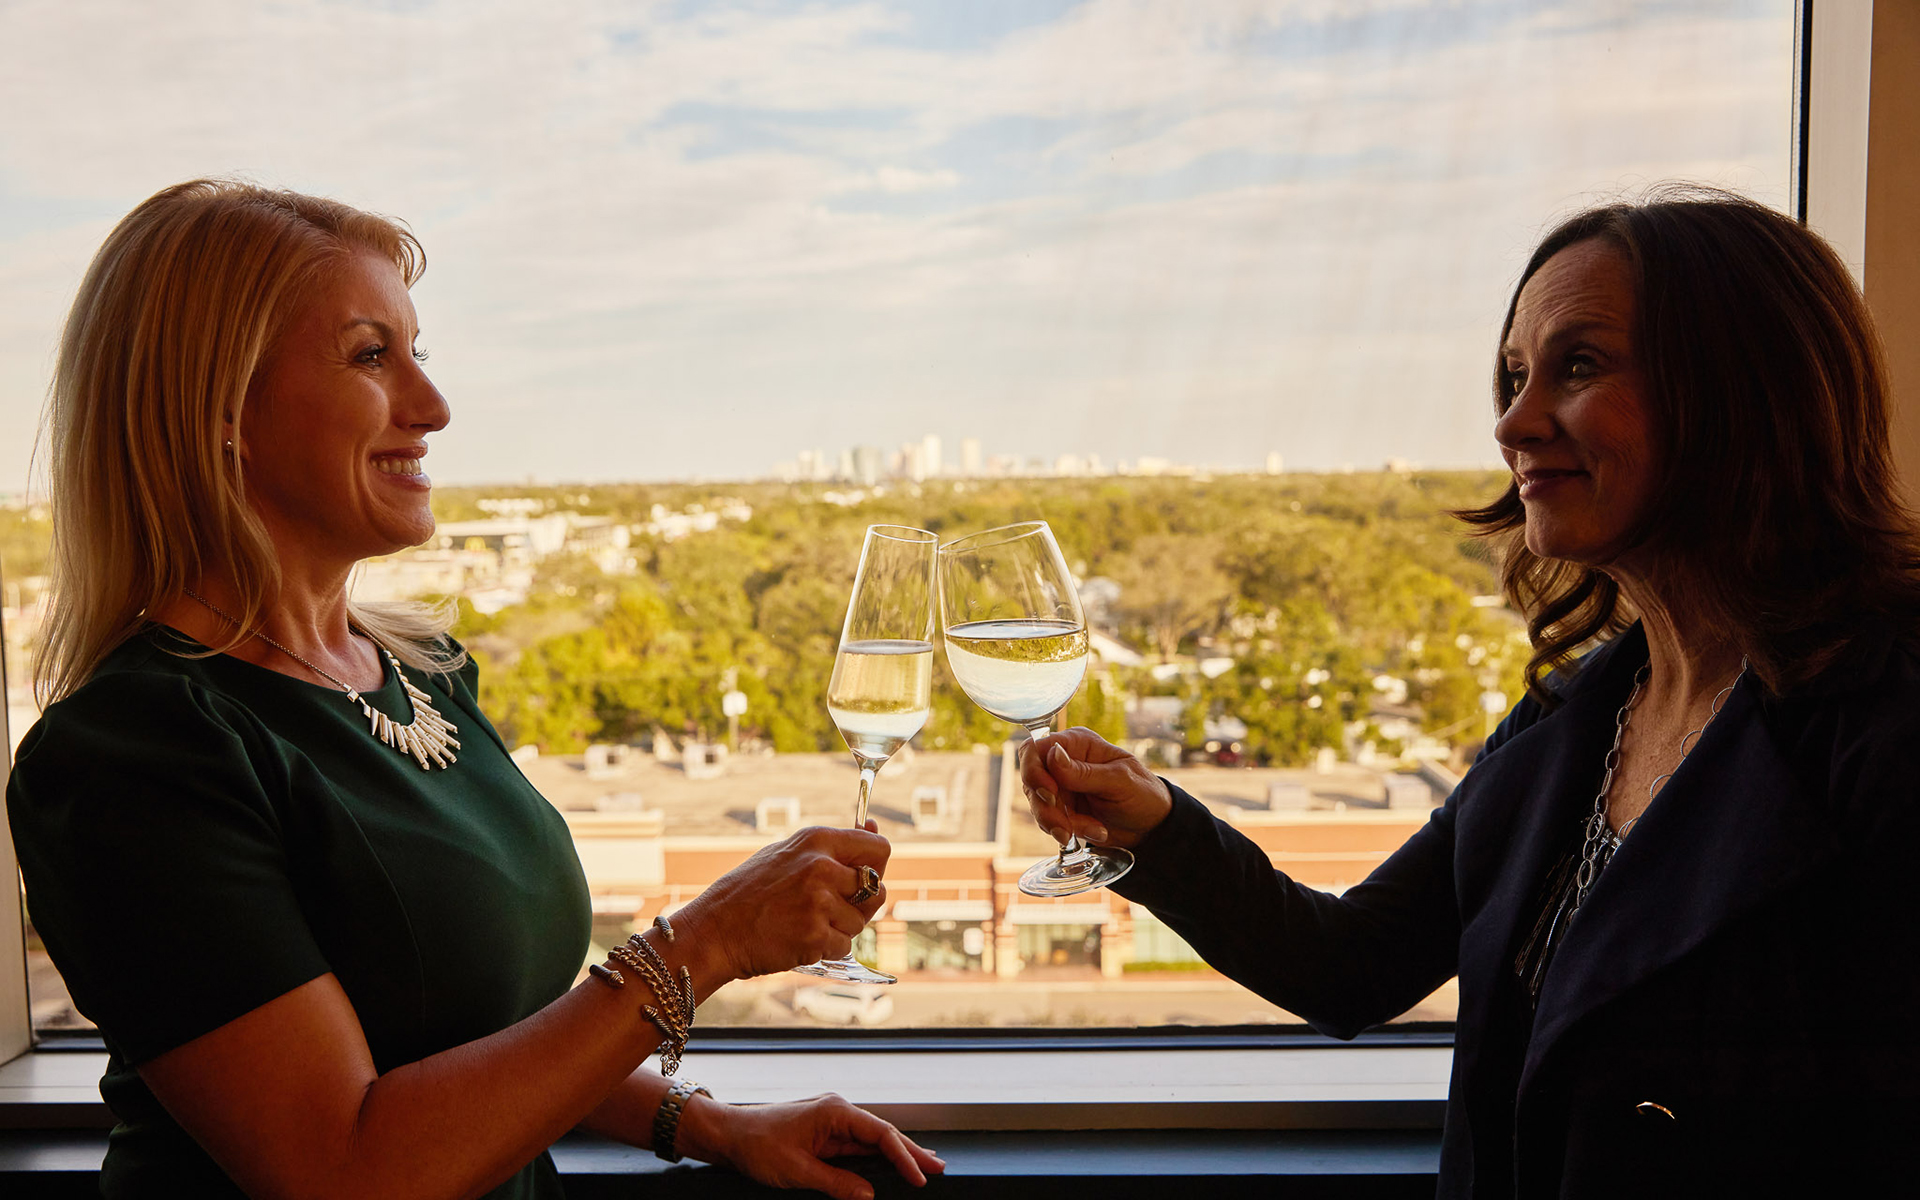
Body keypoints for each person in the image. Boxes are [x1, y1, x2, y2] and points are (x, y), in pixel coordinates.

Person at [6, 179, 943, 1200]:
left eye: (418, 352)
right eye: (372, 356)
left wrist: (707, 1124)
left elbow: (476, 1032)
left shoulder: (426, 673)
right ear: (218, 411)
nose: (433, 407)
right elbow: (340, 1172)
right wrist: (705, 942)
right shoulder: (134, 756)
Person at [1022, 187, 1920, 1196]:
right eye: (1515, 375)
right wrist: (1154, 829)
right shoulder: (1572, 718)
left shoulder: (1887, 729)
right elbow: (1352, 966)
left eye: (1578, 366)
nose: (1513, 423)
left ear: (1746, 393)